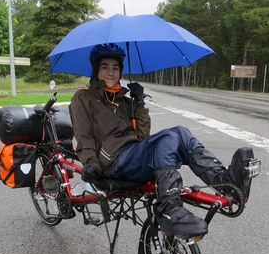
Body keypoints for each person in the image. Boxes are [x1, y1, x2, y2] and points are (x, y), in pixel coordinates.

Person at [70, 43, 254, 237]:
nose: (111, 72)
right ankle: (169, 208)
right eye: (105, 67)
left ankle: (225, 182)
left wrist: (139, 103)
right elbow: (84, 135)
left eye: (115, 68)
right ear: (96, 69)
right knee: (166, 138)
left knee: (180, 133)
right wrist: (91, 164)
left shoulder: (124, 100)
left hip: (133, 154)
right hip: (112, 162)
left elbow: (142, 136)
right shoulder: (83, 98)